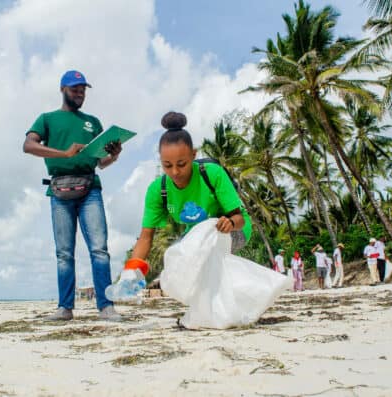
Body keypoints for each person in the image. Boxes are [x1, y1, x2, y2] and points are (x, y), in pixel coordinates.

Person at [23, 70, 123, 321]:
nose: (80, 92)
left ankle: (106, 307)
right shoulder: (47, 118)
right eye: (75, 88)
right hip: (59, 190)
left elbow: (101, 162)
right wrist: (65, 154)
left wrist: (115, 154)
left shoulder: (93, 122)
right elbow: (28, 145)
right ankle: (65, 308)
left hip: (90, 189)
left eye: (83, 89)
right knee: (64, 253)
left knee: (99, 249)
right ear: (62, 89)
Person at [129, 111, 252, 265]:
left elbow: (239, 219)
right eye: (167, 165)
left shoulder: (212, 173)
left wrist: (230, 223)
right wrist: (132, 270)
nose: (175, 172)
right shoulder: (157, 190)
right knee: (174, 260)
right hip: (194, 236)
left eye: (181, 164)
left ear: (193, 155)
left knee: (200, 253)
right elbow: (146, 237)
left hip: (233, 230)